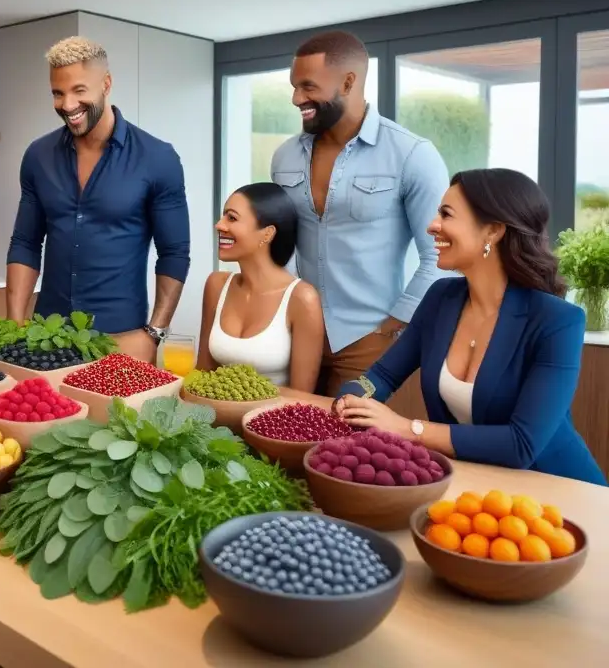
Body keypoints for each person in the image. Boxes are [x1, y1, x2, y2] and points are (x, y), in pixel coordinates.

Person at [334, 170, 607, 485]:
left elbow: (520, 444)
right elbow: (382, 376)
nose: (432, 225)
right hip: (474, 482)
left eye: (446, 214)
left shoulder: (558, 322)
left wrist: (409, 429)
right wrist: (353, 399)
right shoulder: (441, 298)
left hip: (559, 492)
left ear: (492, 231)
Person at [271, 30, 450, 396]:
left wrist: (394, 324)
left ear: (348, 82)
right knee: (285, 435)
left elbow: (440, 255)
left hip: (368, 339)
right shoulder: (284, 156)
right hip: (295, 331)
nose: (296, 98)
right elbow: (281, 243)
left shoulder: (412, 154)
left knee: (348, 449)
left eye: (307, 86)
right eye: (293, 86)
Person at [5, 36, 190, 363]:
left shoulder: (157, 158)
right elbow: (26, 242)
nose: (67, 105)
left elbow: (174, 252)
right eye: (58, 93)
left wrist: (155, 332)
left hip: (122, 339)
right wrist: (16, 324)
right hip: (46, 337)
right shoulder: (38, 156)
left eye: (79, 91)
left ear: (106, 84)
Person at [196, 183, 324, 391]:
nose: (219, 225)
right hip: (214, 419)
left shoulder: (301, 298)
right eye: (223, 216)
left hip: (272, 420)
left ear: (267, 233)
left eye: (232, 218)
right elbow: (202, 375)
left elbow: (301, 398)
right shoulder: (217, 285)